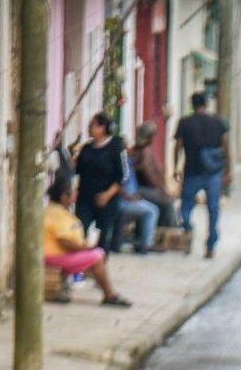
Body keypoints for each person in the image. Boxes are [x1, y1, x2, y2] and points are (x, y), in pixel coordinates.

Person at [44, 174, 131, 307]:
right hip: (54, 256)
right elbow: (64, 241)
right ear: (63, 197)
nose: (75, 196)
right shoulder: (55, 214)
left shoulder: (61, 211)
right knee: (97, 256)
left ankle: (105, 290)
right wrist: (86, 249)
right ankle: (109, 294)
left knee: (96, 257)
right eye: (72, 193)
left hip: (60, 254)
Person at [175, 91, 231, 259]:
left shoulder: (185, 123)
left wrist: (175, 167)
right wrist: (228, 170)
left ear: (192, 105)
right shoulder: (218, 122)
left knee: (185, 208)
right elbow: (225, 147)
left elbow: (177, 146)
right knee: (213, 210)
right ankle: (210, 246)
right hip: (214, 172)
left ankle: (188, 230)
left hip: (192, 171)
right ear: (206, 104)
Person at [72, 113, 130, 253]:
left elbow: (122, 175)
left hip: (107, 199)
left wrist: (107, 195)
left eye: (92, 125)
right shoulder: (86, 149)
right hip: (85, 197)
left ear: (103, 127)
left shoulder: (115, 147)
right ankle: (81, 263)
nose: (89, 129)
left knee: (103, 234)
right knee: (80, 230)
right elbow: (78, 171)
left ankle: (99, 264)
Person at [130, 121, 178, 222]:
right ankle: (170, 229)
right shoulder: (143, 151)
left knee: (166, 199)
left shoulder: (144, 150)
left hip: (144, 188)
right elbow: (149, 174)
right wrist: (161, 189)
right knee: (166, 201)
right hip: (139, 189)